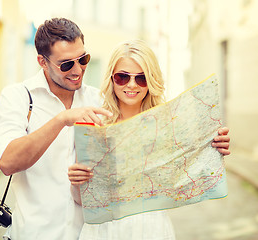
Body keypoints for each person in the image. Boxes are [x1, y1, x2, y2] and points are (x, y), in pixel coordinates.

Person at [68, 39, 231, 240]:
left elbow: (190, 177)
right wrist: (76, 182)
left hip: (151, 230)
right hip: (104, 232)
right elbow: (81, 200)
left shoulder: (167, 127)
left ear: (151, 80)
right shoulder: (95, 126)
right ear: (112, 78)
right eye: (122, 77)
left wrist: (214, 148)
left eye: (141, 78)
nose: (131, 85)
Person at [0, 18, 112, 240]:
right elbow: (8, 163)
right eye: (66, 64)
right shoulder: (17, 97)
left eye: (83, 59)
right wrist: (61, 120)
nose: (78, 70)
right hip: (34, 234)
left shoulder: (97, 99)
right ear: (42, 61)